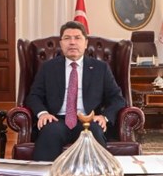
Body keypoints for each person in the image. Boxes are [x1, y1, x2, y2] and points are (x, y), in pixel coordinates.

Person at [25, 21, 127, 161]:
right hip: (56, 119)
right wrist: (43, 113)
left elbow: (117, 99)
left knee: (94, 132)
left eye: (77, 38)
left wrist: (104, 117)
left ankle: (95, 173)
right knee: (50, 132)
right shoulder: (48, 68)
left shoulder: (101, 68)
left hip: (88, 120)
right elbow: (34, 96)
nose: (72, 42)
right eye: (67, 38)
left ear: (85, 43)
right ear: (61, 43)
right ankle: (45, 174)